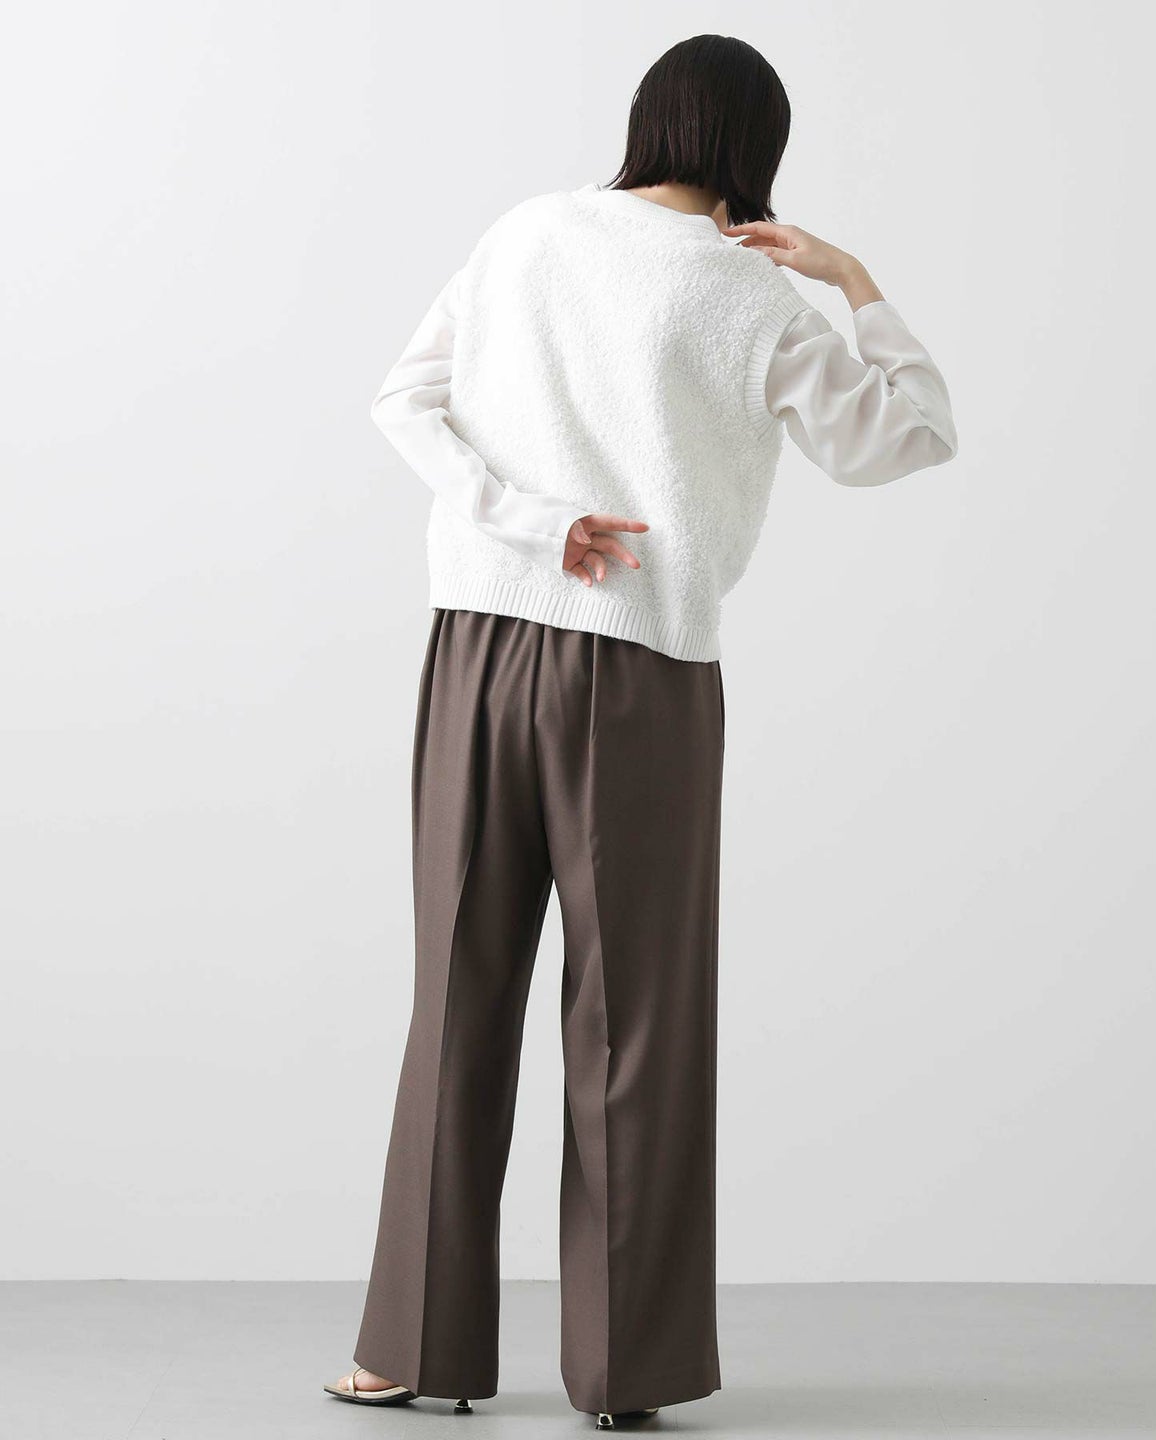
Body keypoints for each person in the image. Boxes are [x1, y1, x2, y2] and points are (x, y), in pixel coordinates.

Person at [324, 32, 958, 1431]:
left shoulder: (525, 234)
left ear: (647, 122)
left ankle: (406, 1353)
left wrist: (526, 523)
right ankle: (627, 1374)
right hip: (642, 673)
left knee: (456, 1000)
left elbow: (402, 401)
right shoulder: (753, 295)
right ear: (754, 149)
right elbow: (910, 437)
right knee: (635, 1023)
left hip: (475, 647)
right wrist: (855, 282)